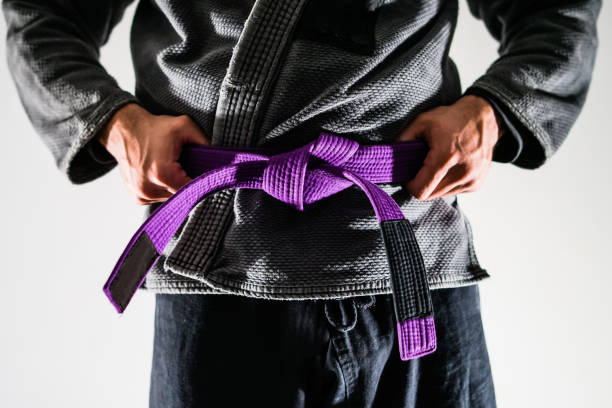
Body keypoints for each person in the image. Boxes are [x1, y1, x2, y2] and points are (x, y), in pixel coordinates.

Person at [2, 0, 600, 406]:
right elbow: (41, 14)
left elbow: (557, 9)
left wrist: (495, 108)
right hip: (219, 269)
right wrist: (113, 122)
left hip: (411, 261)